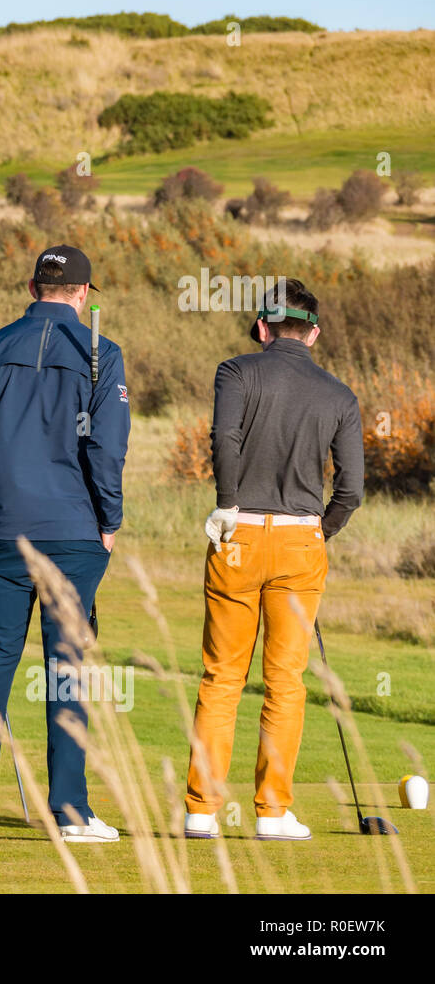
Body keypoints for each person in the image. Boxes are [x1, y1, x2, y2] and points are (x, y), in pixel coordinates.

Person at [0, 245, 129, 843]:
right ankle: (71, 812)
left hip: (3, 530)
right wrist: (111, 520)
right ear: (83, 293)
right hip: (75, 532)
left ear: (34, 287)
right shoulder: (103, 355)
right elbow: (106, 450)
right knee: (66, 670)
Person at [185, 279, 363, 842]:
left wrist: (227, 505)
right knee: (285, 681)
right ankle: (272, 813)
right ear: (312, 332)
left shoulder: (234, 372)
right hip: (300, 542)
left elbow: (225, 439)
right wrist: (318, 534)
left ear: (262, 328)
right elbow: (351, 490)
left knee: (221, 676)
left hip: (236, 534)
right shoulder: (339, 395)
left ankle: (201, 811)